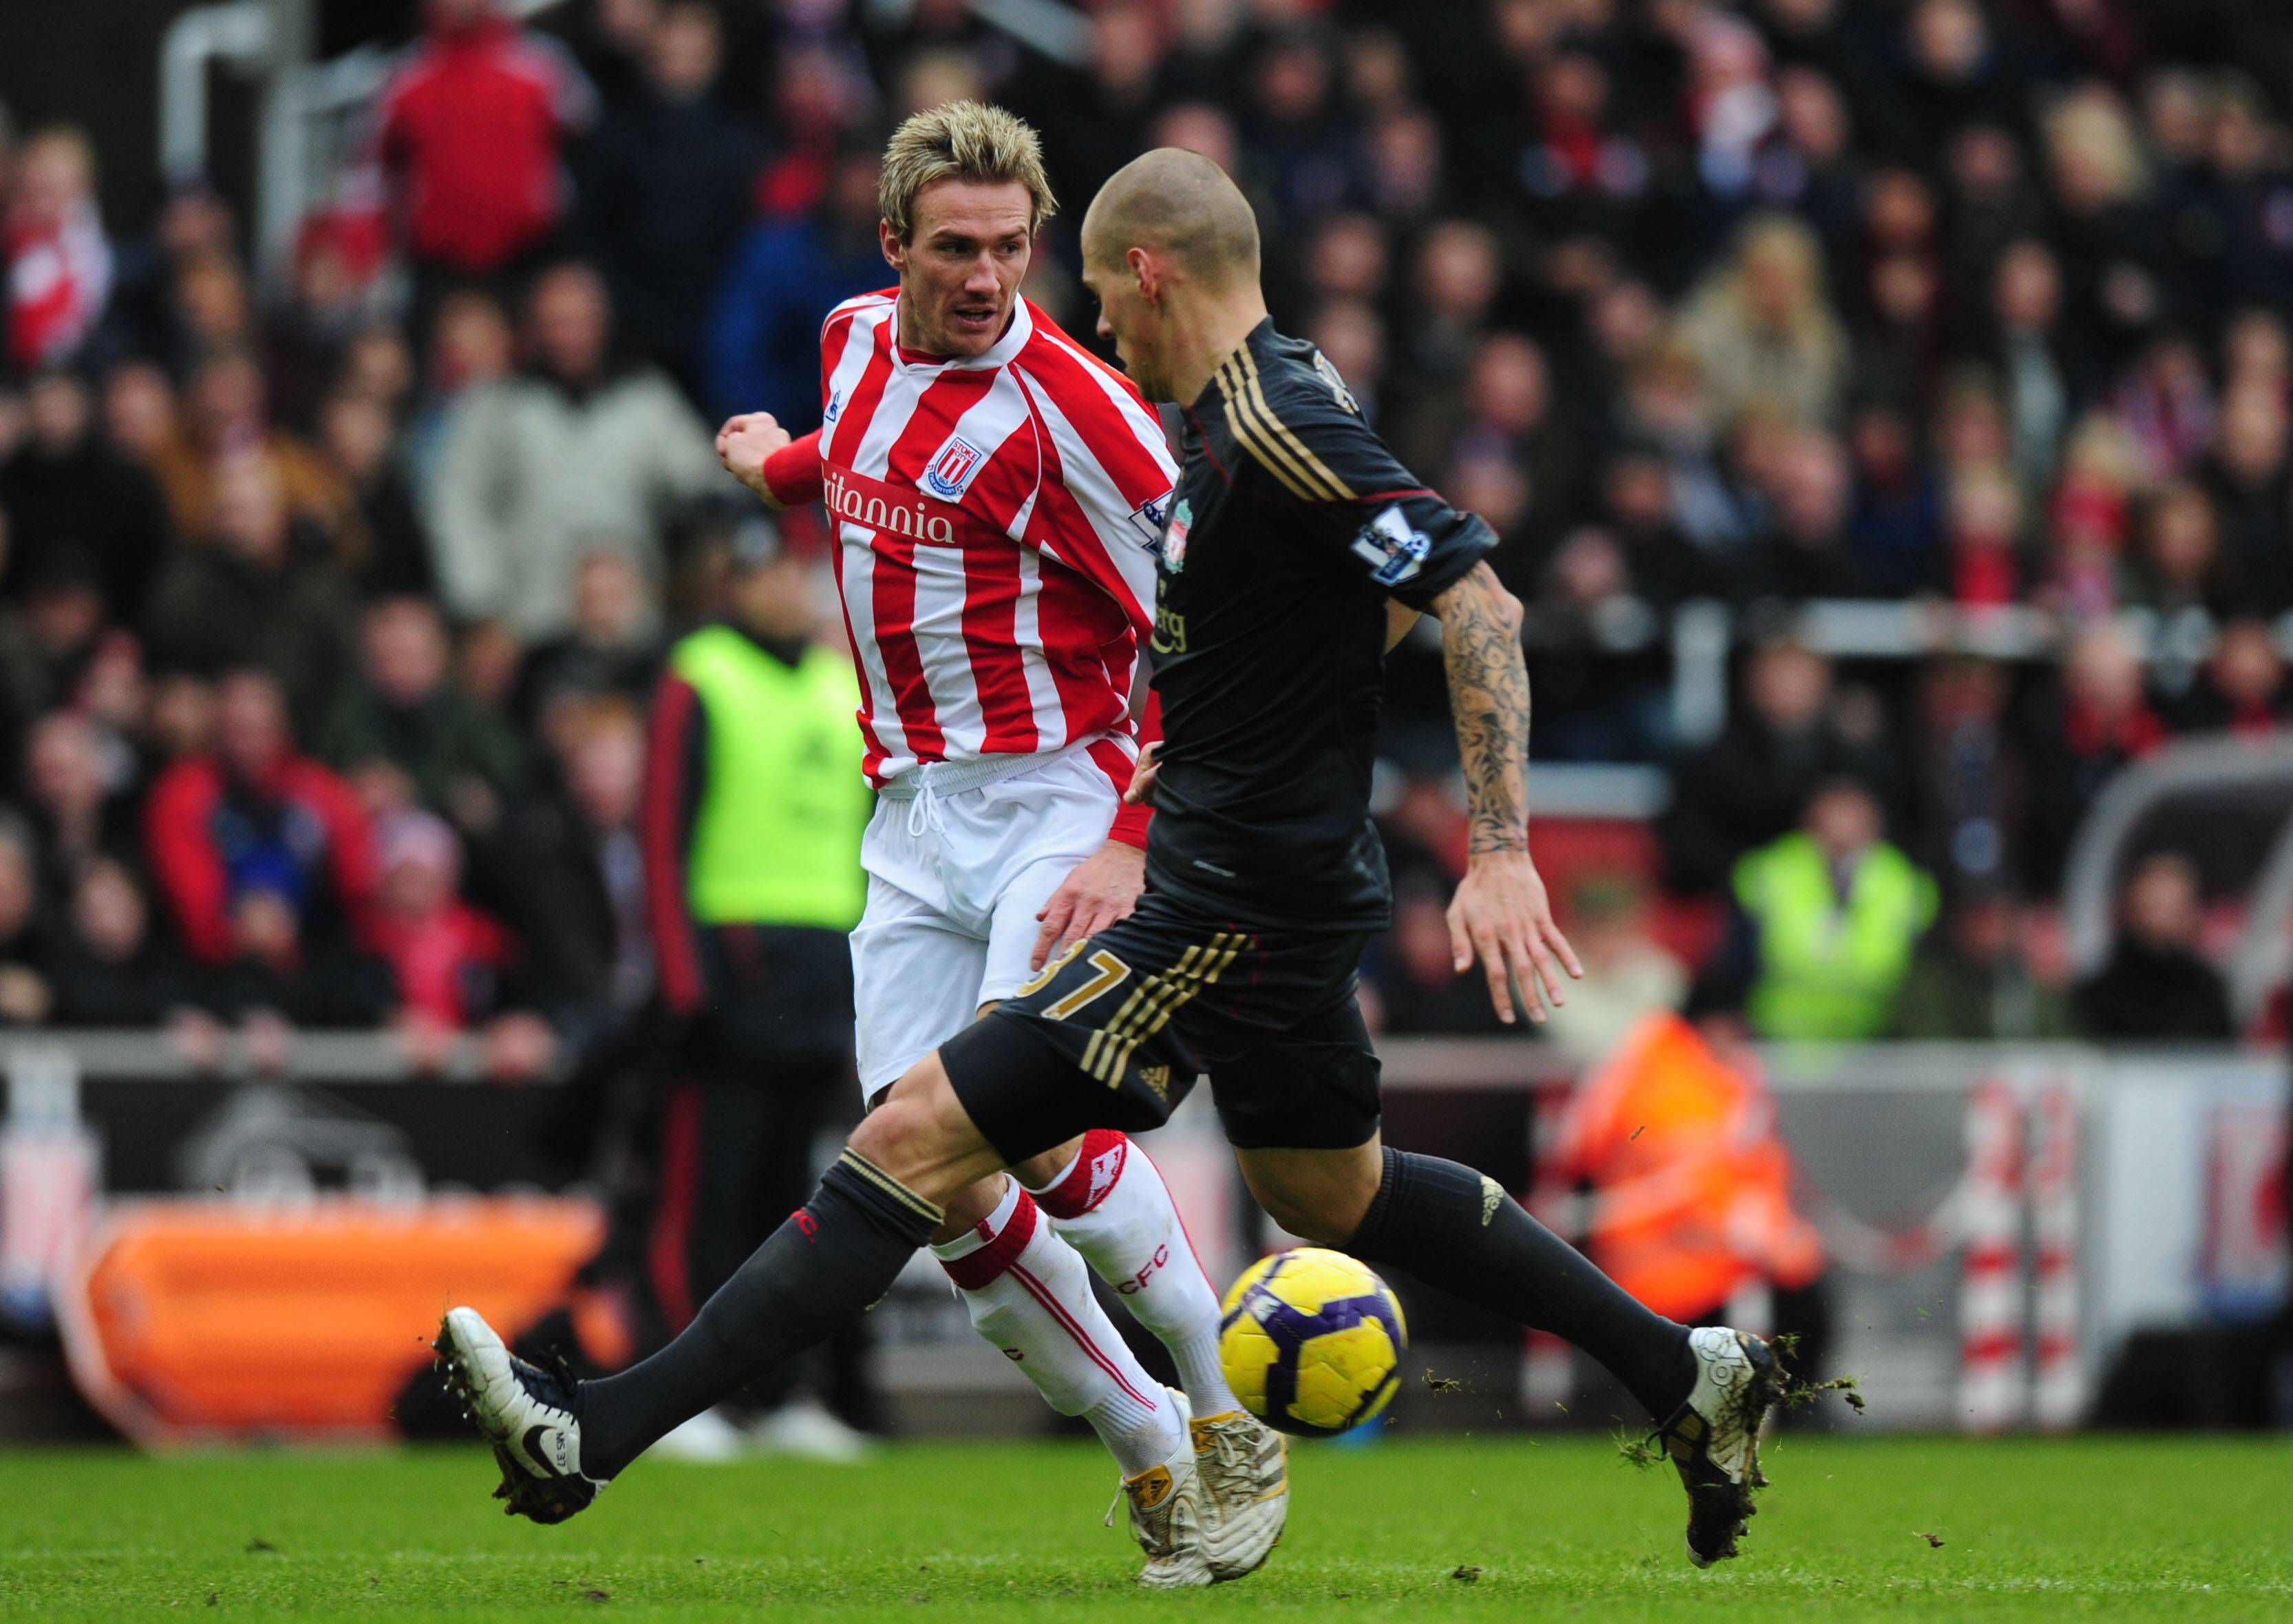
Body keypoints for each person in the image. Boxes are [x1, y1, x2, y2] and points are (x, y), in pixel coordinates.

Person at [438, 142, 1785, 1575]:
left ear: (1146, 274)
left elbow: (1478, 603)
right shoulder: (1233, 408)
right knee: (1335, 1192)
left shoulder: (1266, 424)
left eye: (1082, 284)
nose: (1077, 318)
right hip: (1264, 879)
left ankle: (593, 1433)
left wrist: (1501, 848)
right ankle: (1685, 1370)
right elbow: (1339, 610)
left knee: (910, 1140)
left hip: (1221, 900)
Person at [706, 104, 1276, 1583]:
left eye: (1009, 251)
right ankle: (1149, 1446)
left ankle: (1231, 1412)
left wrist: (1138, 833)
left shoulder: (1081, 413)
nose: (982, 277)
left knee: (1027, 1117)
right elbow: (876, 465)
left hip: (1057, 803)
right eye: (952, 247)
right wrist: (780, 471)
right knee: (928, 1172)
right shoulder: (847, 340)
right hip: (908, 823)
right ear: (892, 244)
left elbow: (1214, 622)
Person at [637, 517, 875, 1461]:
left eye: (791, 572)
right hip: (731, 979)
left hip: (820, 978)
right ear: (729, 586)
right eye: (764, 575)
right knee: (706, 1198)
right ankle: (677, 1394)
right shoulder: (700, 674)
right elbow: (662, 838)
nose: (783, 588)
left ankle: (782, 1398)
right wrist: (684, 981)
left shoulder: (835, 683)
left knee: (798, 1202)